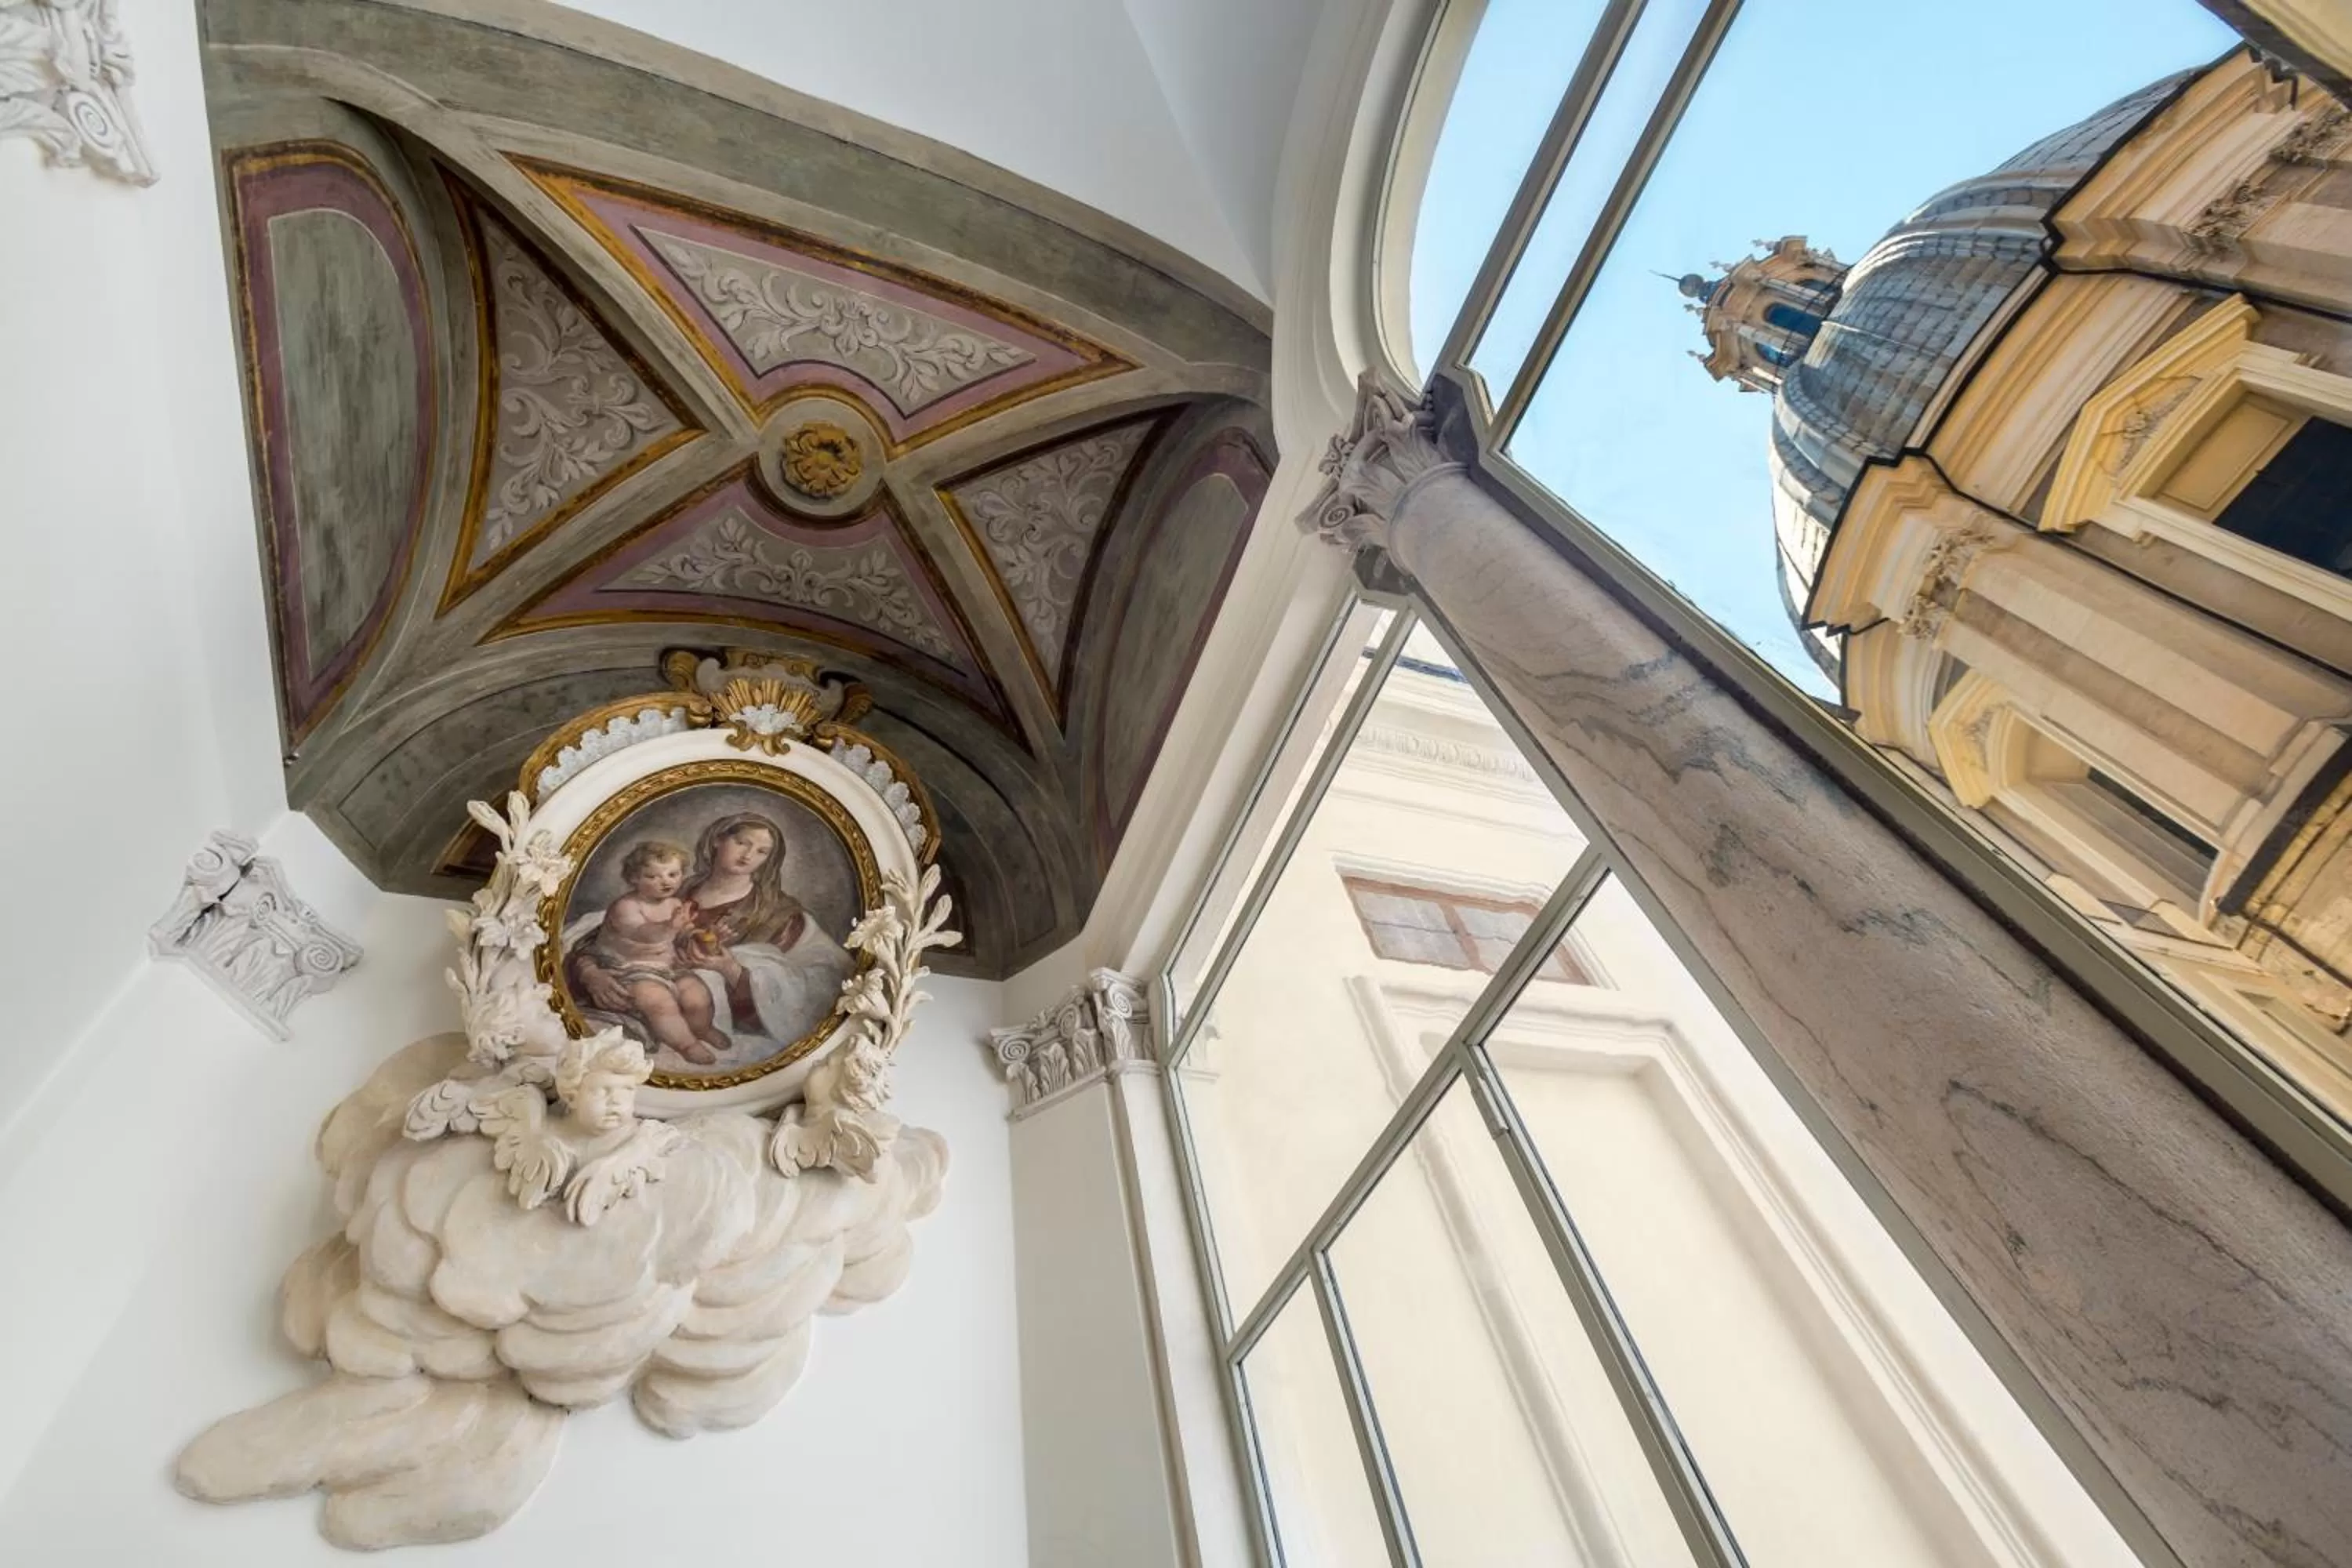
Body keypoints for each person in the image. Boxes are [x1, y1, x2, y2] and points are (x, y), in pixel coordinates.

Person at [568, 811, 853, 1070]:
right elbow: (605, 939)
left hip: (718, 1026)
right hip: (638, 991)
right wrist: (591, 973)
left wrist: (732, 971)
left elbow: (815, 990)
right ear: (718, 840)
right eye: (742, 842)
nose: (749, 855)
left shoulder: (779, 914)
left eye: (762, 851)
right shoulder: (670, 888)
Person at [585, 840, 730, 1065]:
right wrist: (672, 926)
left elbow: (683, 934)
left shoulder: (674, 903)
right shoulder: (627, 906)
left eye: (673, 874)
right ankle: (686, 1044)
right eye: (653, 877)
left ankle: (703, 1028)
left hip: (668, 967)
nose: (665, 882)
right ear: (634, 879)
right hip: (628, 969)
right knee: (659, 1002)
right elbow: (644, 934)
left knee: (697, 995)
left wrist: (701, 936)